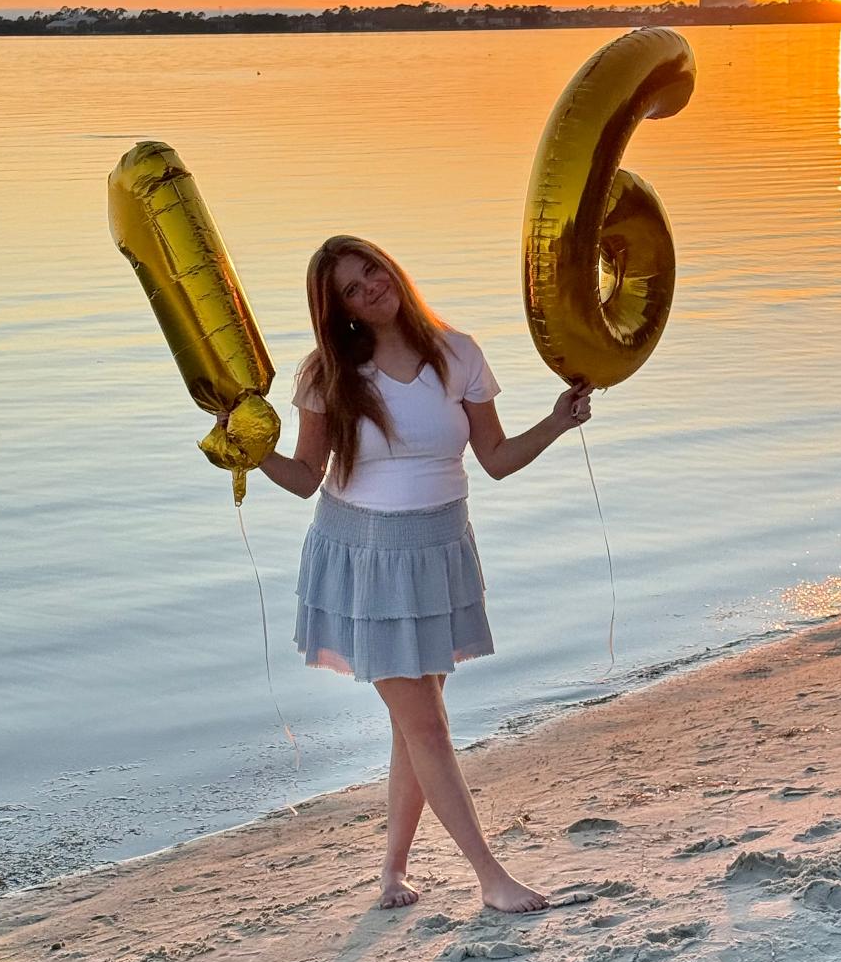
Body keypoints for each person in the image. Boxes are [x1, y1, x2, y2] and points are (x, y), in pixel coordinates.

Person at [239, 235, 592, 914]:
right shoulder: (328, 374)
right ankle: (490, 877)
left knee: (416, 726)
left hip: (439, 550)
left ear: (390, 266)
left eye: (371, 270)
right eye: (351, 288)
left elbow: (495, 458)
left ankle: (393, 871)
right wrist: (250, 452)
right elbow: (306, 477)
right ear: (340, 310)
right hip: (364, 558)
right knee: (426, 725)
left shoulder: (458, 353)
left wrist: (556, 422)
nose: (370, 287)